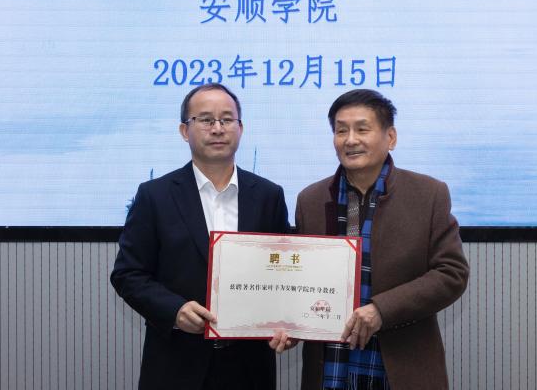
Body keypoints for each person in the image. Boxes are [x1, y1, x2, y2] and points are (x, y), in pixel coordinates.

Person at [271, 89, 470, 390]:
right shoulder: (310, 199)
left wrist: (381, 310)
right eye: (341, 131)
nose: (350, 140)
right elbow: (300, 280)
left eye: (362, 129)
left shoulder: (428, 194)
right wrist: (292, 324)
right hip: (331, 367)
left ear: (391, 137)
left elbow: (451, 274)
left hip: (401, 368)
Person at [112, 84, 289, 390]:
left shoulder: (268, 195)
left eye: (227, 119)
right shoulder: (155, 196)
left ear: (241, 128)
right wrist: (174, 310)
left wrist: (288, 321)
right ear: (185, 130)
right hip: (176, 365)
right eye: (206, 120)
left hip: (249, 367)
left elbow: (283, 272)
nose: (217, 129)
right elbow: (128, 274)